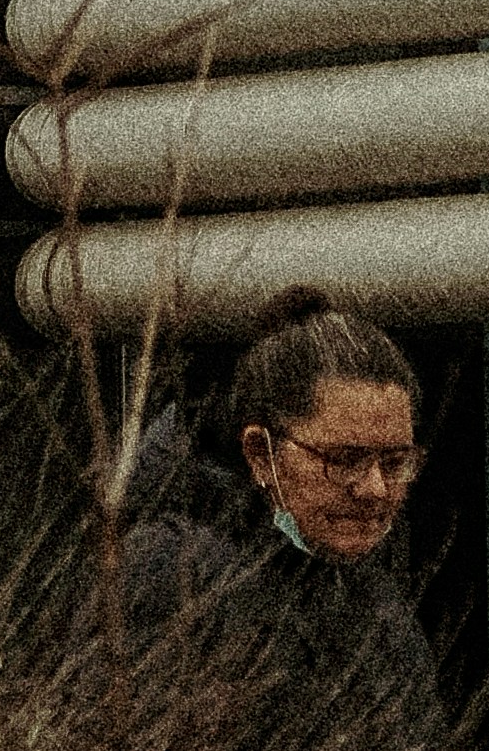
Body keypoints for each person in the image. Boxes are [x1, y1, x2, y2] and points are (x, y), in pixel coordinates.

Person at [113, 293, 449, 742]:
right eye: (343, 460)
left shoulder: (373, 603)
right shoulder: (177, 576)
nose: (375, 489)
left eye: (395, 462)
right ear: (260, 453)